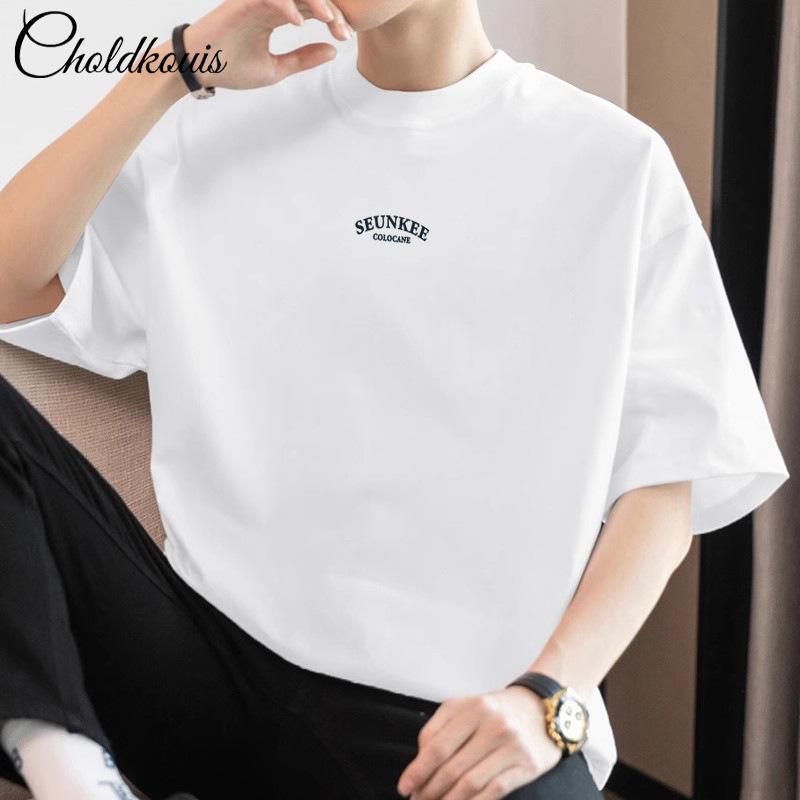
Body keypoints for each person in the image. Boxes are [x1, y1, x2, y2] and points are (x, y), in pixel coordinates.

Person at [0, 0, 790, 798]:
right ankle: (64, 763)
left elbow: (665, 483)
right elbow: (10, 282)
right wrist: (172, 69)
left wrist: (549, 696)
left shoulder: (613, 166)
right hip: (204, 666)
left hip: (456, 723)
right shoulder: (212, 133)